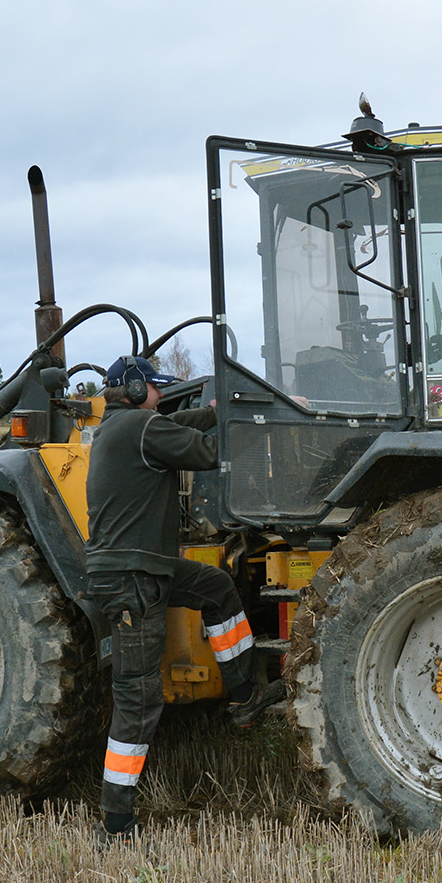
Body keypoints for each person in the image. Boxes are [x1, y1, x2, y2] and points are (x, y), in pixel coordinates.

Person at [84, 353, 285, 842]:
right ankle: (116, 822)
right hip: (131, 580)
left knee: (215, 588)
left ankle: (244, 696)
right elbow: (208, 450)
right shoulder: (140, 428)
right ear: (133, 391)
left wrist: (222, 408)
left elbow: (179, 421)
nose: (161, 396)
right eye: (155, 389)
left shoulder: (129, 425)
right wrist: (261, 422)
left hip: (144, 568)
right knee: (138, 698)